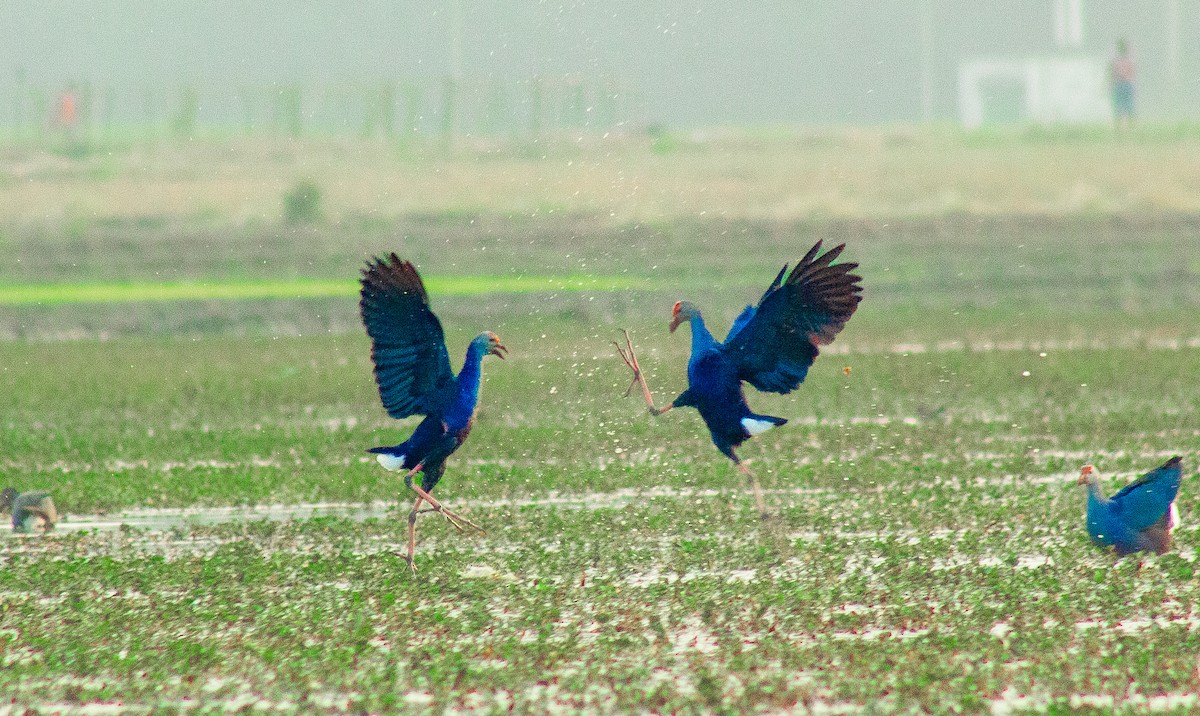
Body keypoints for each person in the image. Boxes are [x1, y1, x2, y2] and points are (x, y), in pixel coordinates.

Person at [1110, 39, 1136, 129]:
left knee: (1122, 106)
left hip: (1121, 85)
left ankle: (1123, 127)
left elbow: (1114, 74)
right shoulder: (1129, 60)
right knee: (1125, 106)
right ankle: (1126, 126)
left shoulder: (1116, 61)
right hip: (1125, 84)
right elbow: (1132, 73)